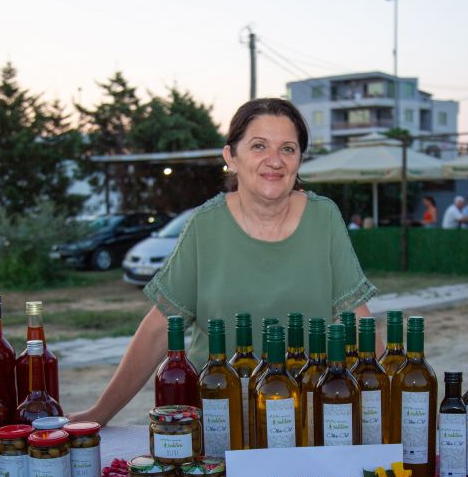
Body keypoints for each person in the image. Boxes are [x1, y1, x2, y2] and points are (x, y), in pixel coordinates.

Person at [70, 98, 377, 425]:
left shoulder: (324, 217)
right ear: (231, 156)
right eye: (259, 146)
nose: (274, 161)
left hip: (306, 420)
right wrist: (100, 413)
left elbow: (357, 319)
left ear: (300, 159)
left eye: (288, 149)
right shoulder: (205, 225)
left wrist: (387, 406)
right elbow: (160, 327)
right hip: (219, 418)